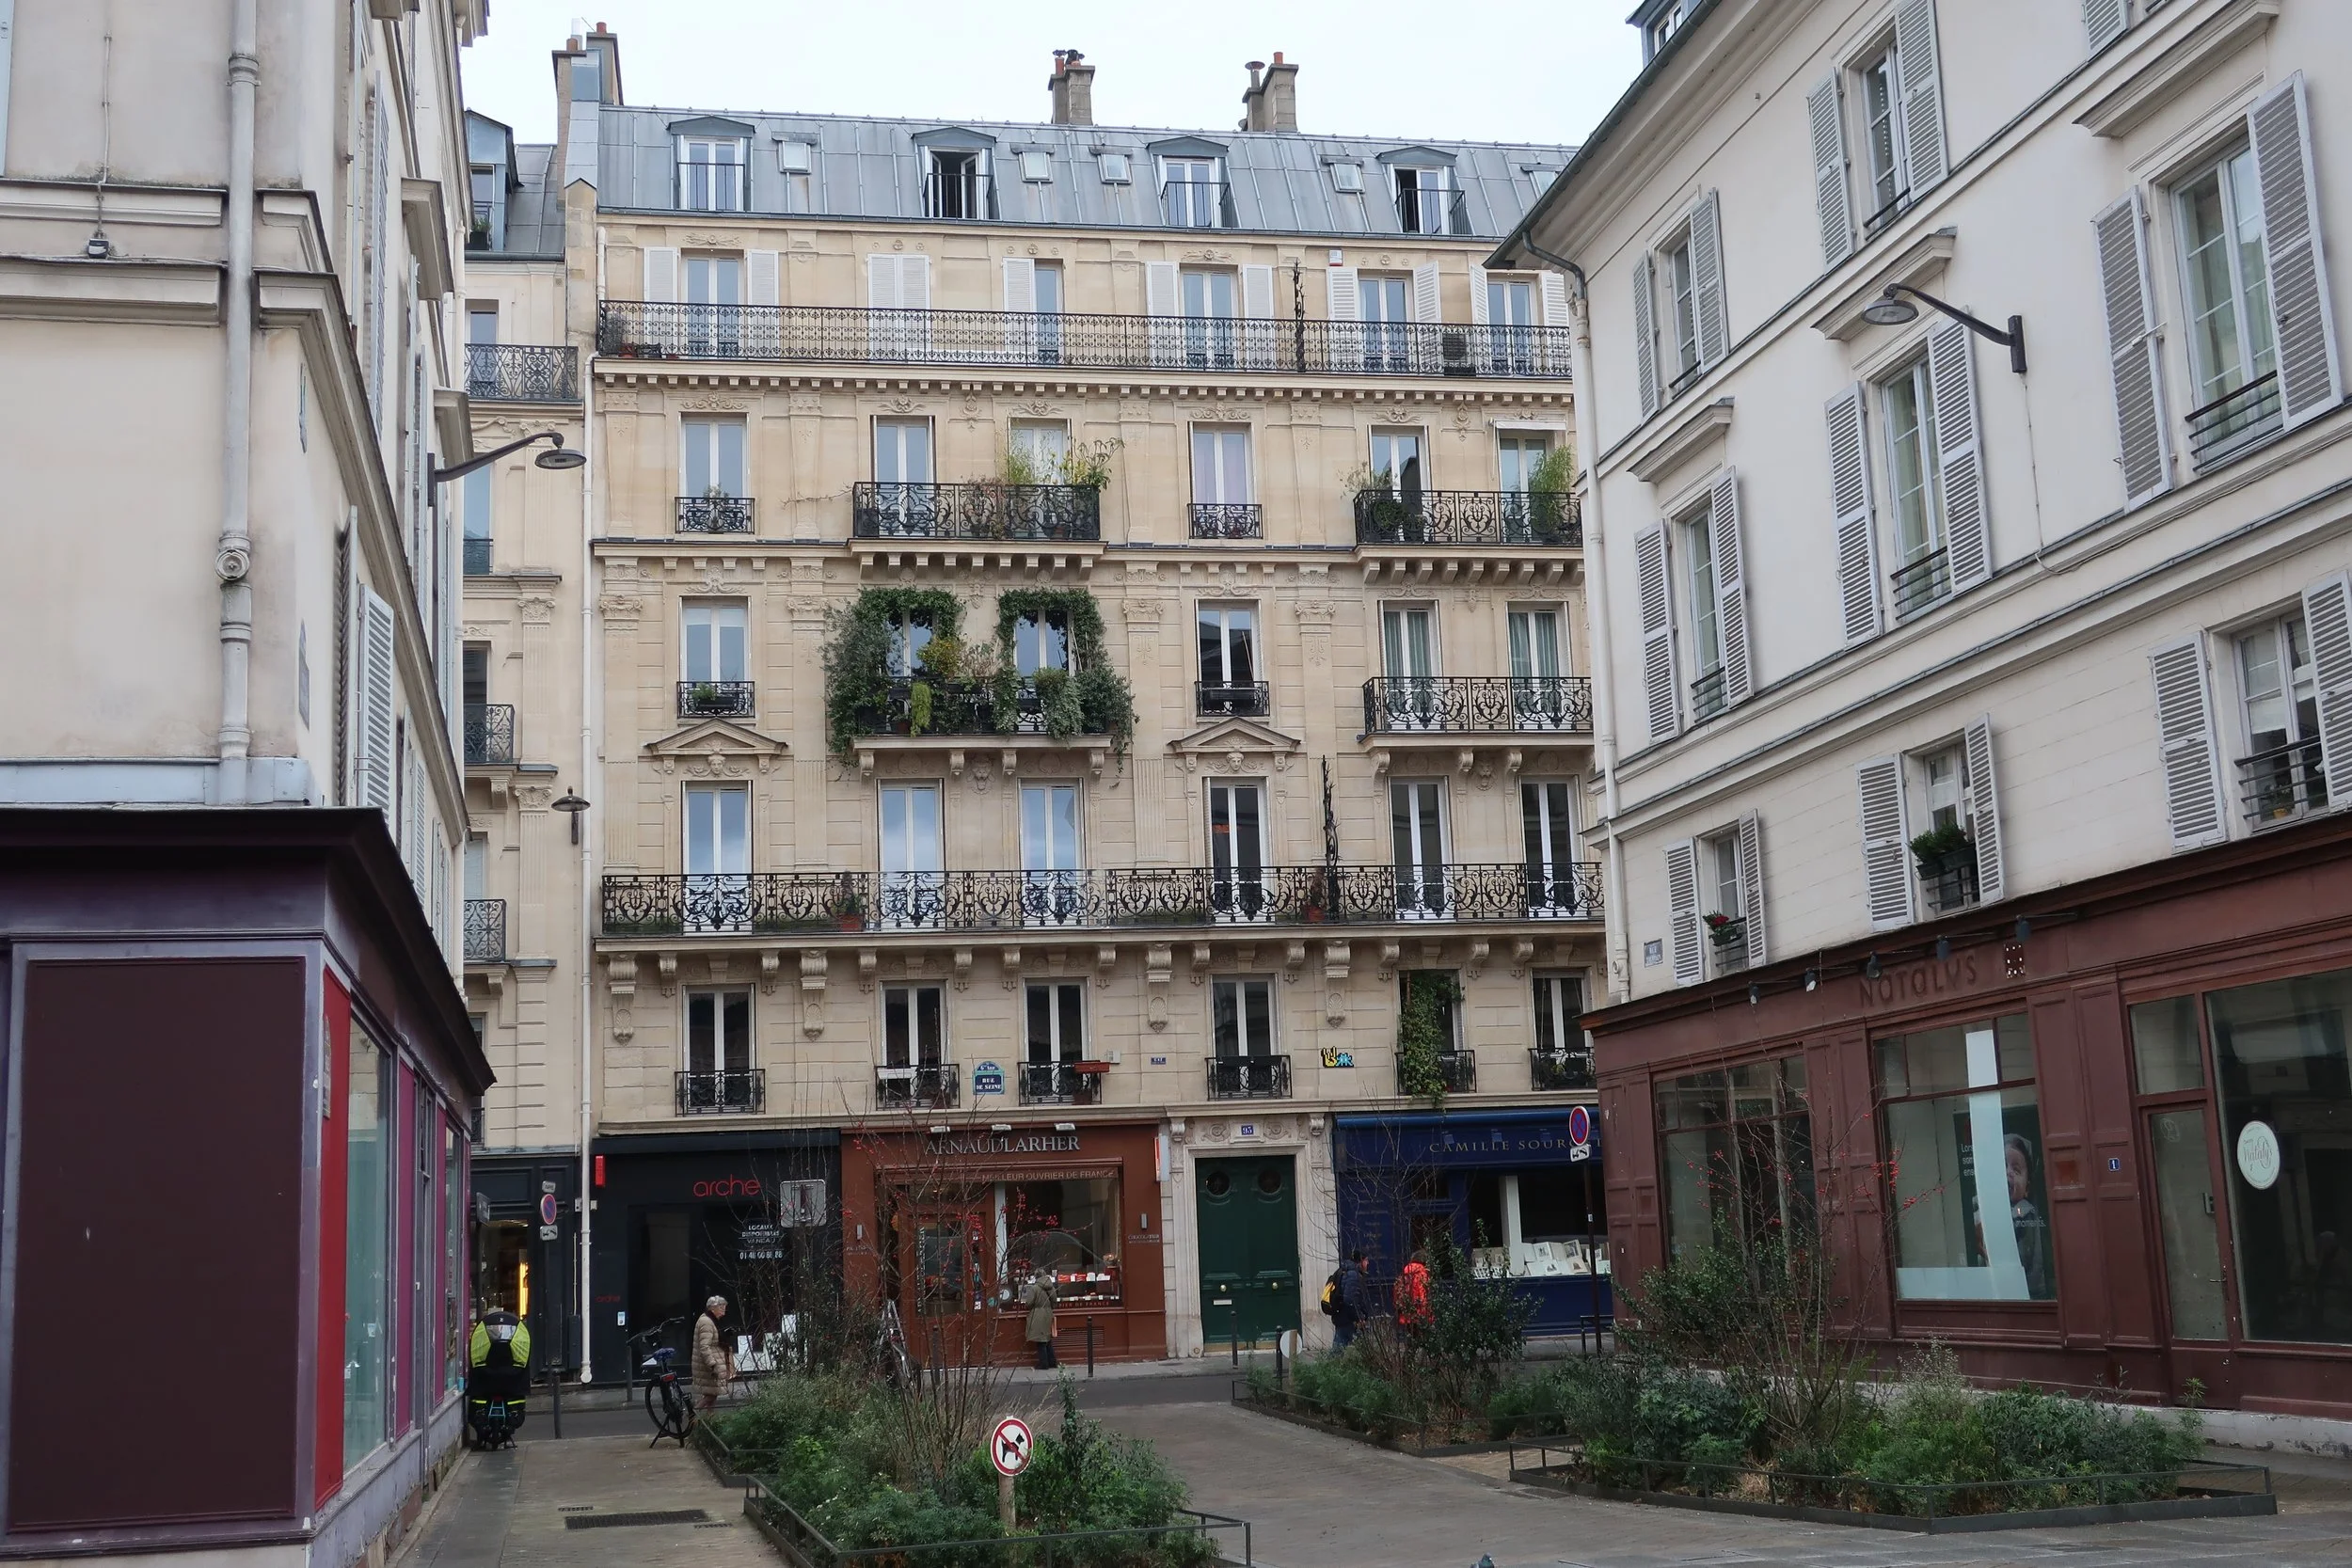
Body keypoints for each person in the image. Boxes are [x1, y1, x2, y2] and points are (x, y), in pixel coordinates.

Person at [465, 1307, 532, 1448]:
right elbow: (522, 1357)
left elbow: (477, 1356)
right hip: (513, 1376)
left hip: (486, 1375)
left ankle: (482, 1423)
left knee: (479, 1401)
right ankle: (511, 1418)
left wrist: (479, 1365)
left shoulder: (483, 1331)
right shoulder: (517, 1332)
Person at [692, 1294, 734, 1415]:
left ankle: (709, 1419)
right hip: (708, 1367)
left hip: (709, 1365)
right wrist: (712, 1364)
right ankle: (693, 1413)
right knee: (711, 1395)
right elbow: (704, 1347)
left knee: (712, 1395)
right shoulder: (706, 1322)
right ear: (712, 1308)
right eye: (722, 1308)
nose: (724, 1313)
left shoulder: (709, 1320)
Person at [1019, 1267, 1058, 1370]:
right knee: (1047, 1339)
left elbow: (1029, 1303)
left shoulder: (1034, 1288)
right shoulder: (1051, 1287)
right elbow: (1055, 1302)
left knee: (1041, 1341)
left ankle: (1044, 1363)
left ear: (1036, 1277)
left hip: (1037, 1314)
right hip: (1048, 1313)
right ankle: (1052, 1362)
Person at [1332, 1251, 1371, 1350]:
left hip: (1343, 1318)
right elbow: (1350, 1300)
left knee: (1338, 1351)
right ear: (1360, 1261)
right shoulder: (1353, 1275)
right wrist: (1359, 1318)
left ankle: (1328, 1365)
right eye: (1366, 1260)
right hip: (1349, 1321)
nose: (1368, 1263)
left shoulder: (1347, 1272)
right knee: (1364, 1350)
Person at [1396, 1249, 1433, 1335]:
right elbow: (1423, 1293)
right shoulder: (1422, 1273)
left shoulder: (1405, 1272)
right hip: (1420, 1313)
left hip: (1406, 1313)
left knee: (1411, 1338)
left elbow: (1397, 1292)